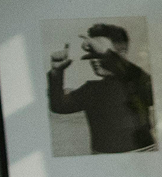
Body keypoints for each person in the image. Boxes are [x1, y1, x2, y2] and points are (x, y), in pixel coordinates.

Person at [48, 23, 156, 154]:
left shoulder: (136, 83)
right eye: (91, 55)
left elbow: (150, 92)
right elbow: (59, 106)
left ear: (120, 55)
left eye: (99, 54)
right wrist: (56, 73)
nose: (94, 60)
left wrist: (108, 55)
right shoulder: (91, 89)